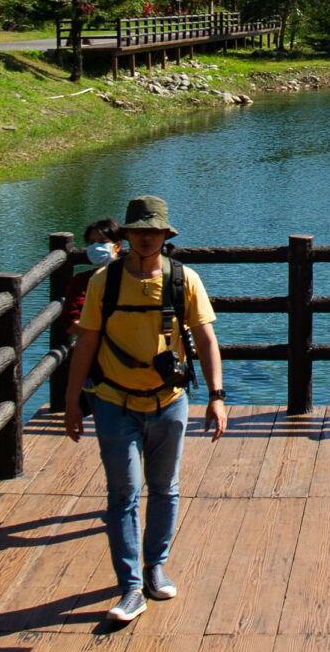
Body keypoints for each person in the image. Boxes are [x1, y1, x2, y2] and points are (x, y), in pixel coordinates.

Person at [62, 194, 228, 625]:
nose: (147, 238)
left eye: (154, 231)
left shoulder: (183, 279)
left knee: (165, 487)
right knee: (123, 494)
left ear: (164, 235)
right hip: (114, 401)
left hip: (170, 402)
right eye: (139, 231)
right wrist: (72, 399)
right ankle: (130, 586)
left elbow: (206, 339)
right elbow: (87, 342)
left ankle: (155, 566)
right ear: (128, 236)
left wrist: (216, 396)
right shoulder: (105, 282)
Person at [57, 216, 120, 337]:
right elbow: (71, 322)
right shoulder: (82, 280)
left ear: (118, 246)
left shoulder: (132, 277)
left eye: (103, 241)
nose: (96, 247)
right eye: (92, 242)